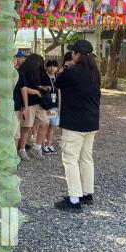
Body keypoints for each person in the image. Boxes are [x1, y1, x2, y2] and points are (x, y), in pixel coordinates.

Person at [54, 40, 101, 213]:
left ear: (77, 54)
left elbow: (57, 83)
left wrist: (65, 68)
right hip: (91, 123)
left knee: (70, 159)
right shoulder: (95, 73)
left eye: (73, 52)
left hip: (74, 124)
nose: (71, 55)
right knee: (86, 158)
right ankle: (87, 192)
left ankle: (74, 199)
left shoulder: (72, 73)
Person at [18, 54, 49, 161]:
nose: (40, 65)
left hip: (39, 103)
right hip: (28, 103)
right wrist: (36, 91)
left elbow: (34, 84)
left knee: (45, 123)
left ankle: (37, 148)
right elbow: (23, 88)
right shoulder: (22, 72)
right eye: (38, 63)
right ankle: (22, 150)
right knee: (26, 127)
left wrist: (41, 87)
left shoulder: (38, 72)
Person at [43, 59, 61, 155]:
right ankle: (43, 144)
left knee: (51, 126)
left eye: (54, 66)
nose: (52, 68)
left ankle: (49, 144)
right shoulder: (44, 78)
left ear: (57, 68)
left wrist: (59, 106)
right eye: (50, 66)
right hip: (46, 106)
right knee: (44, 125)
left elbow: (59, 92)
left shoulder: (58, 78)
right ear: (47, 67)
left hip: (54, 106)